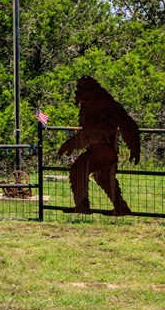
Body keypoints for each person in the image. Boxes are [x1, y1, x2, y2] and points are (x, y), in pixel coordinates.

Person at [56, 76, 140, 215]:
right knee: (99, 176)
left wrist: (134, 148)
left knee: (84, 172)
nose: (79, 94)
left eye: (83, 90)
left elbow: (128, 125)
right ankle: (116, 206)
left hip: (105, 149)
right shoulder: (87, 107)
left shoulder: (106, 106)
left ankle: (86, 205)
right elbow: (88, 134)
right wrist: (70, 145)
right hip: (96, 149)